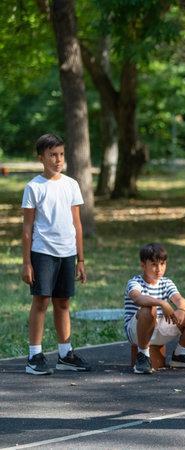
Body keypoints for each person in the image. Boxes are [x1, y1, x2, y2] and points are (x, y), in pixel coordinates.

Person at [22, 133, 91, 375]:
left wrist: (80, 259)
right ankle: (34, 356)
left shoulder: (71, 184)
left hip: (67, 253)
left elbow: (77, 224)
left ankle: (65, 354)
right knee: (41, 302)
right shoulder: (33, 187)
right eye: (52, 155)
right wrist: (26, 263)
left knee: (63, 303)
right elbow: (27, 227)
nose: (58, 159)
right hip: (42, 253)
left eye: (61, 154)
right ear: (41, 158)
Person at [124, 242, 185, 374]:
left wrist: (181, 310)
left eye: (162, 264)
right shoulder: (134, 282)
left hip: (161, 329)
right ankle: (143, 356)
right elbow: (138, 298)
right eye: (154, 264)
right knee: (149, 309)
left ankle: (180, 355)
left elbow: (180, 299)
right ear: (143, 265)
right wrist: (163, 303)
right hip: (137, 333)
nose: (159, 269)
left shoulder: (166, 282)